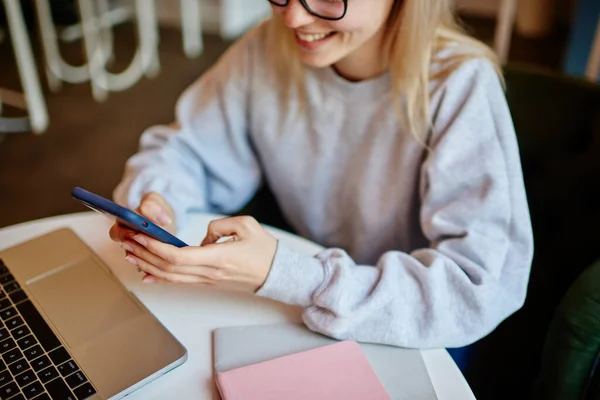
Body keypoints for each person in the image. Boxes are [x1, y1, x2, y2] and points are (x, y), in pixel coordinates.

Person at [110, 0, 534, 370]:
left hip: (416, 325)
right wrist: (157, 200)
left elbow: (474, 289)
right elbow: (185, 152)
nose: (293, 17)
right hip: (305, 302)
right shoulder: (264, 49)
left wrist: (297, 276)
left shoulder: (458, 85)